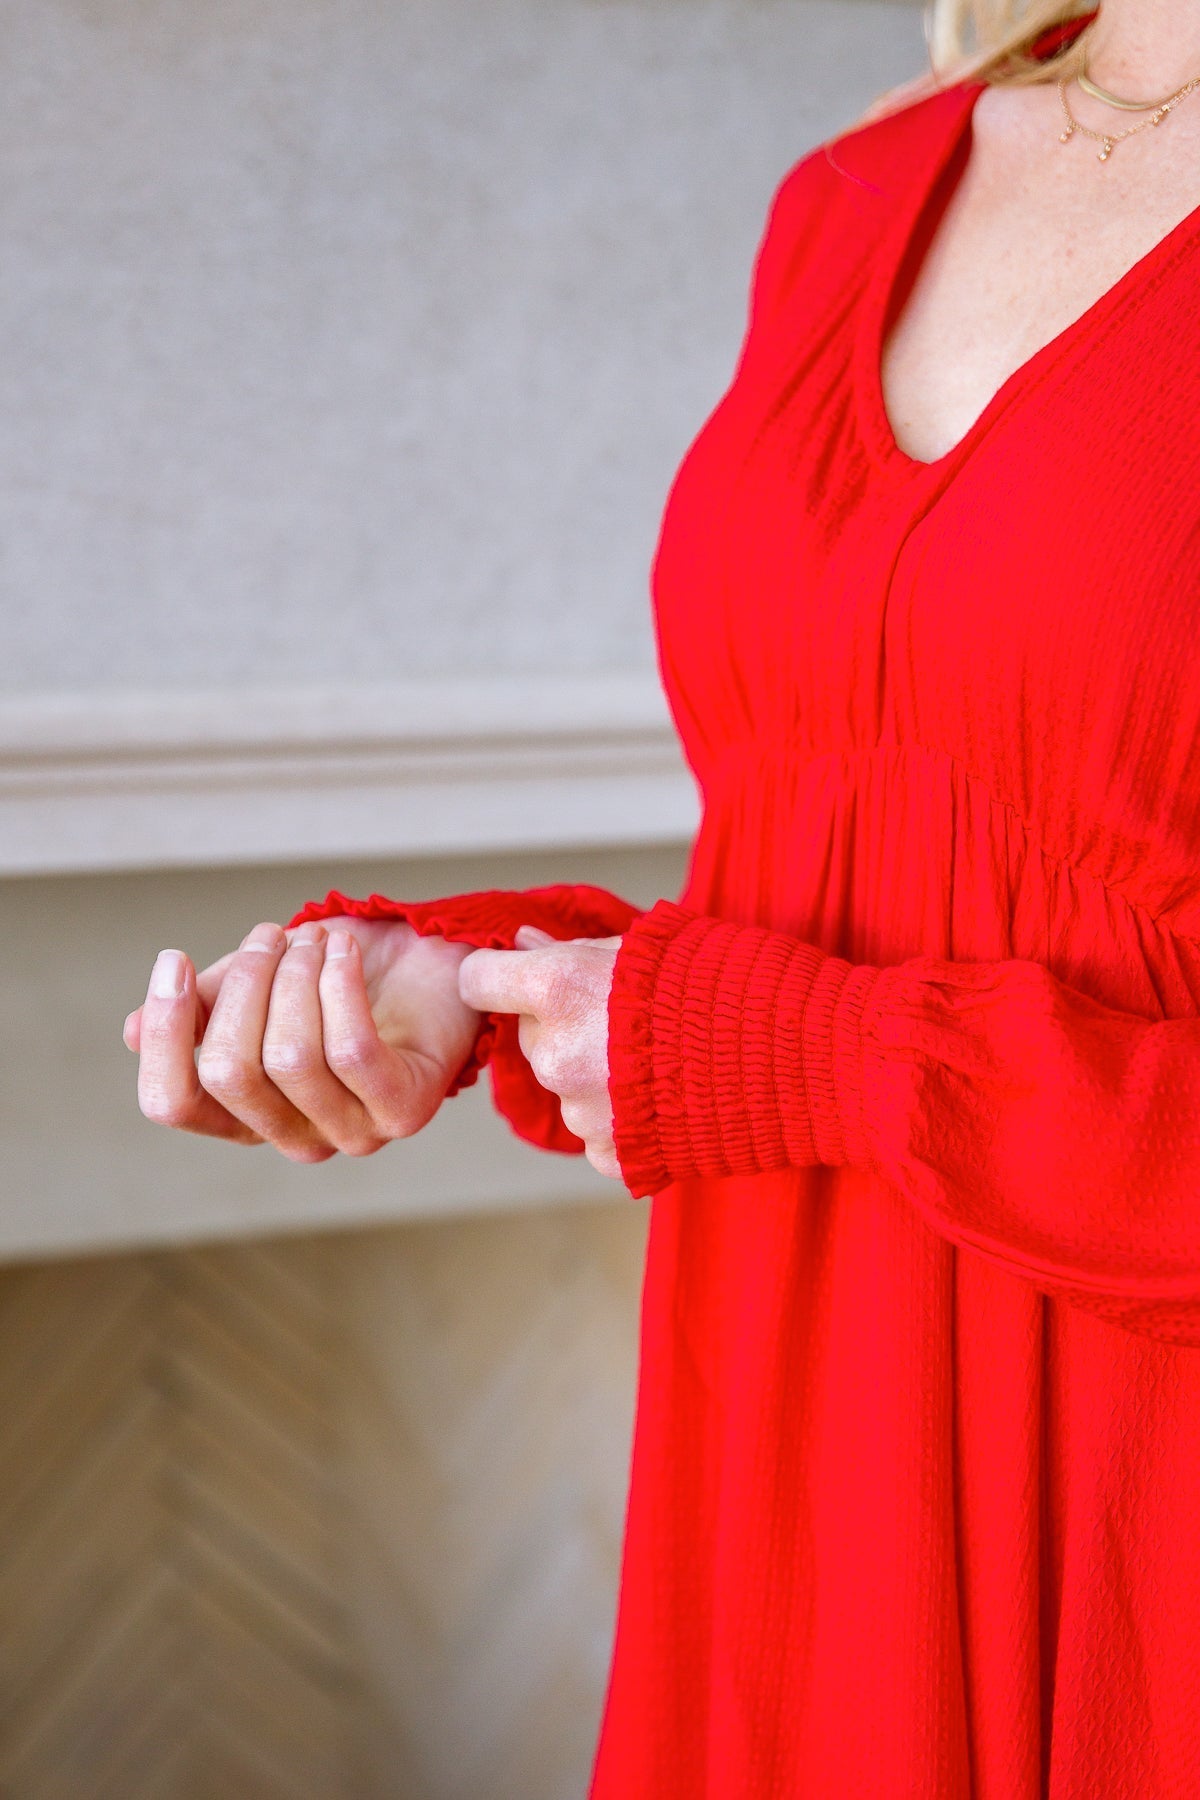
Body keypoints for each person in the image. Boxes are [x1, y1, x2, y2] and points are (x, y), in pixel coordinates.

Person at [124, 0, 1200, 1788]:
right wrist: (478, 984)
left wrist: (819, 1058)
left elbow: (852, 1023)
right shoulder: (858, 189)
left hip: (1139, 1533)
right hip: (794, 1451)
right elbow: (858, 882)